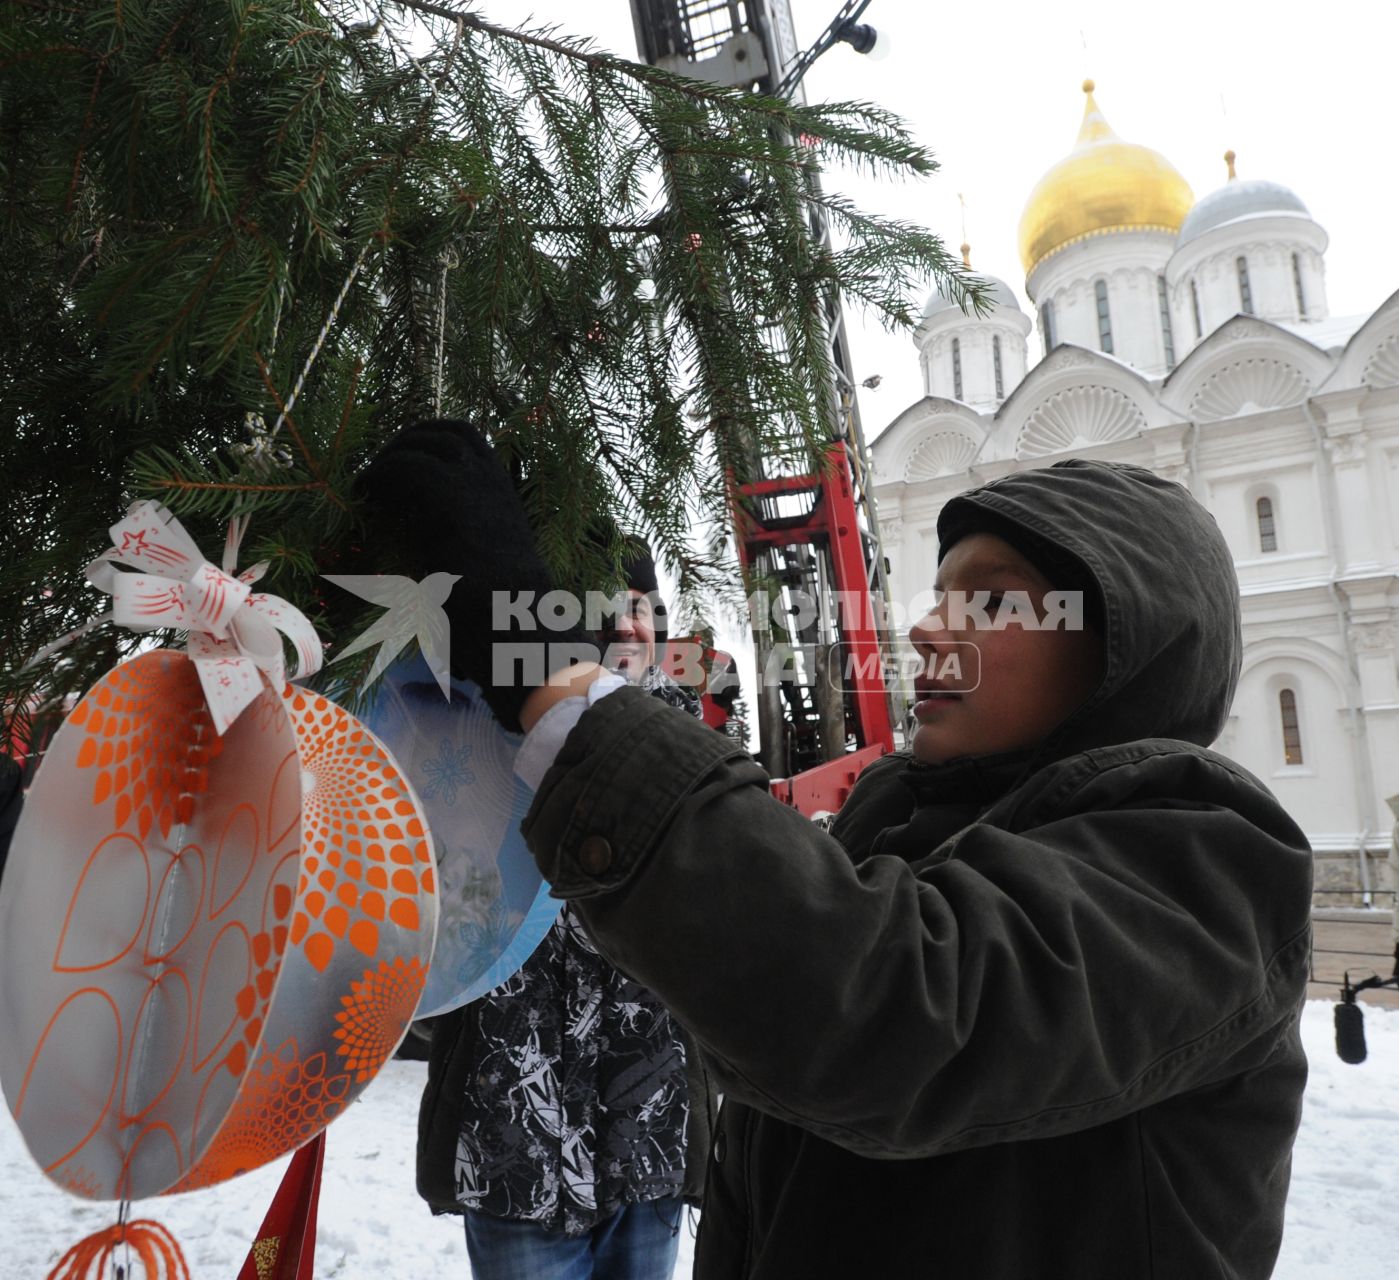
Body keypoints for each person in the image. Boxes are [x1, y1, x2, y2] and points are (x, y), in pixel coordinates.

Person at [366, 422, 1313, 1280]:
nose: (929, 626)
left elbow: (893, 1007)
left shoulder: (1208, 861)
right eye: (942, 594)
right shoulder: (902, 827)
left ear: (1125, 646)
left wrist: (547, 683)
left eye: (993, 601)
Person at [362, 425, 710, 1280]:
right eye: (613, 605)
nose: (633, 624)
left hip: (647, 1140)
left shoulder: (696, 757)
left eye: (647, 607)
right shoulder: (479, 741)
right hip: (511, 1142)